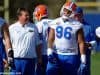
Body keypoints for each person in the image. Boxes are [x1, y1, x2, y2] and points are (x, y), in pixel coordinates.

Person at [46, 2, 86, 75]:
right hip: (56, 54)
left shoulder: (77, 25)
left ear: (73, 13)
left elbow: (81, 42)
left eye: (69, 11)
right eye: (65, 9)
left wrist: (83, 59)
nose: (66, 12)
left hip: (71, 56)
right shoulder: (54, 22)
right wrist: (49, 52)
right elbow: (51, 39)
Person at [9, 8, 42, 75]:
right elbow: (7, 44)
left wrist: (39, 58)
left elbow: (38, 44)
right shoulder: (12, 28)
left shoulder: (34, 27)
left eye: (28, 15)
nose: (28, 17)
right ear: (19, 16)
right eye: (26, 15)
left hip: (31, 61)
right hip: (16, 61)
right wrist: (8, 58)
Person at [74, 7, 96, 75]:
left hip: (85, 60)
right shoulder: (70, 26)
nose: (77, 18)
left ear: (82, 15)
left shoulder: (88, 27)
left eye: (78, 15)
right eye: (75, 15)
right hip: (73, 60)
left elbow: (94, 44)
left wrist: (86, 45)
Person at [33, 4, 52, 75]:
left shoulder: (38, 25)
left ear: (39, 14)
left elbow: (39, 42)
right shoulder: (55, 22)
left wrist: (39, 57)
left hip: (42, 54)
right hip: (54, 53)